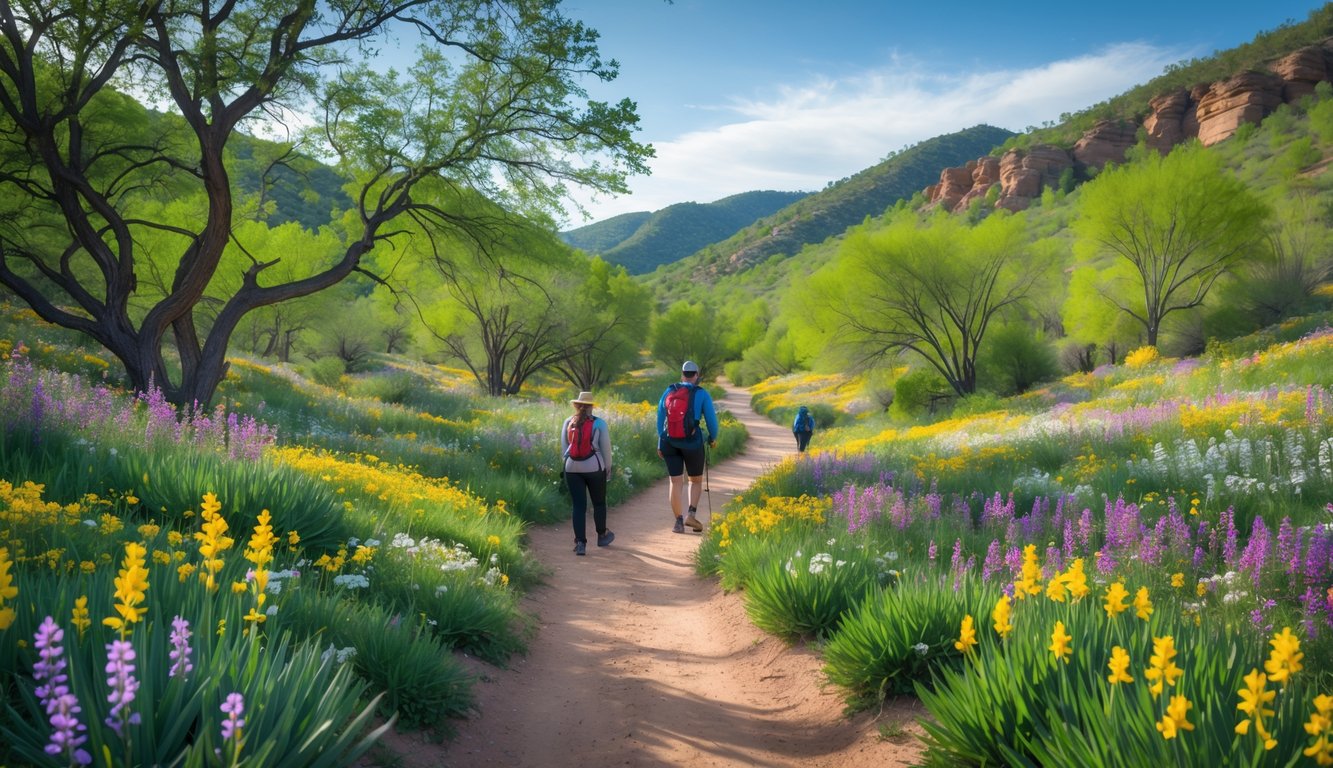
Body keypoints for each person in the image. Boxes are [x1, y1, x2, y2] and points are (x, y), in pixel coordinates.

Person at [656, 360, 719, 534]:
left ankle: (678, 522)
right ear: (696, 376)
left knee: (675, 482)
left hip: (670, 442)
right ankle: (691, 514)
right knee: (695, 480)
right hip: (692, 443)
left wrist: (660, 441)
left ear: (682, 374)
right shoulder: (702, 393)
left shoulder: (669, 390)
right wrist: (713, 438)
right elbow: (712, 422)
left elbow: (660, 418)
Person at [561, 391, 614, 556]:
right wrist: (608, 469)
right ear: (592, 406)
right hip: (593, 467)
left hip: (571, 467)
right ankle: (602, 535)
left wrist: (566, 467)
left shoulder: (568, 422)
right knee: (598, 503)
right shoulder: (599, 424)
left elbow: (565, 449)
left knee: (578, 506)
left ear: (576, 405)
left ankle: (581, 543)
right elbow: (606, 450)